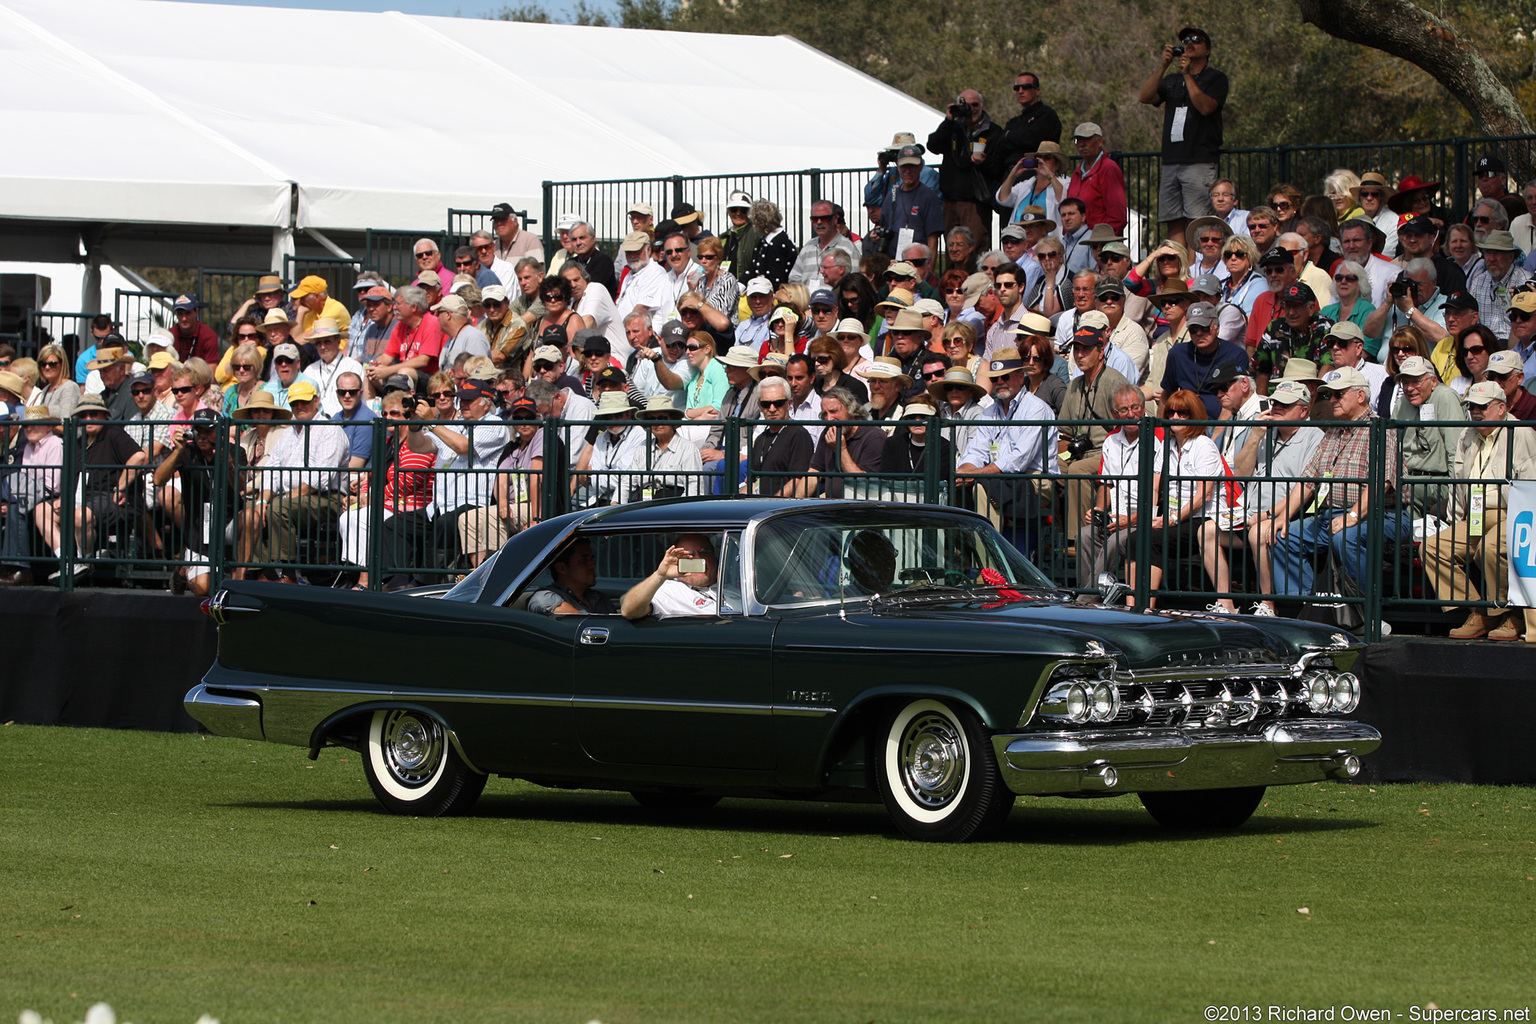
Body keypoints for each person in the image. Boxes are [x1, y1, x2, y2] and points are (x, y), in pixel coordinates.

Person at [1269, 366, 1404, 598]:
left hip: (1381, 515)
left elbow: (1382, 483)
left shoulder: (1381, 429)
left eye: (1339, 394)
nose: (1331, 400)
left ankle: (1362, 607)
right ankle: (1308, 605)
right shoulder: (1332, 432)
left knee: (1346, 538)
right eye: (1329, 395)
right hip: (1332, 515)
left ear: (1360, 396)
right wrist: (1283, 517)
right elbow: (1308, 482)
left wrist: (1352, 516)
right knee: (1282, 536)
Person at [1422, 381, 1536, 639]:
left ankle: (1513, 615)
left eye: (1483, 406)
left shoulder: (1522, 433)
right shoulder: (1468, 433)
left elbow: (1529, 488)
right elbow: (1458, 480)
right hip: (1475, 515)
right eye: (1472, 406)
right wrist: (1455, 518)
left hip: (1511, 513)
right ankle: (1481, 612)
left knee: (1490, 549)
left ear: (1501, 408)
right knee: (1432, 547)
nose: (1476, 411)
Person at [1201, 379, 1324, 615]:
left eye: (1285, 405)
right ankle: (1225, 603)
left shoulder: (1314, 436)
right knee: (1205, 531)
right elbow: (1242, 473)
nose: (1277, 407)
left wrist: (1267, 515)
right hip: (1246, 513)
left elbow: (1305, 489)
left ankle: (1268, 603)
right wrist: (1255, 435)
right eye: (1274, 402)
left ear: (1304, 411)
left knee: (1259, 532)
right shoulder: (1264, 431)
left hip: (1285, 517)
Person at [1124, 388, 1224, 608]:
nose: (1175, 418)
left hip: (1204, 518)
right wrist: (1149, 517)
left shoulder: (1203, 445)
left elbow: (1203, 495)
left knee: (1152, 540)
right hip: (1175, 518)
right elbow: (1154, 486)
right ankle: (1131, 606)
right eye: (1171, 413)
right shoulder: (1167, 445)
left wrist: (1171, 519)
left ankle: (1146, 605)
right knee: (1134, 538)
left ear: (1194, 415)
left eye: (1183, 413)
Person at [956, 346, 1058, 554]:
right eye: (995, 379)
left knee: (981, 489)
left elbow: (1018, 460)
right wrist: (963, 472)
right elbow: (976, 451)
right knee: (954, 485)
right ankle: (960, 556)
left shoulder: (1036, 408)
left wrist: (973, 474)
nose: (999, 382)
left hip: (1035, 478)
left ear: (1021, 376)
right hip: (998, 477)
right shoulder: (990, 411)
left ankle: (989, 562)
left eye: (1005, 376)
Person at [1138, 25, 1227, 247]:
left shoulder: (1215, 78)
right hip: (1171, 160)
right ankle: (1178, 276)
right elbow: (1145, 96)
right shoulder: (1171, 80)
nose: (1189, 42)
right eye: (1186, 40)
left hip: (1199, 159)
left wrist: (1188, 75)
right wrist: (1163, 65)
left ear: (1207, 49)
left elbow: (1206, 107)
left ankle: (1195, 275)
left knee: (1197, 224)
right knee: (1173, 221)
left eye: (1196, 39)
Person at [1077, 384, 1163, 595]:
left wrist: (1132, 519)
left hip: (1146, 516)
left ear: (1144, 408)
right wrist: (1098, 509)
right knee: (1085, 535)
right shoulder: (1111, 440)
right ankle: (1095, 595)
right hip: (1116, 515)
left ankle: (1089, 598)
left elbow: (1159, 494)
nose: (1131, 414)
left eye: (1135, 407)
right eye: (1123, 410)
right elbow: (1106, 483)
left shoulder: (1159, 438)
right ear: (1114, 413)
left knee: (1116, 541)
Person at [1058, 317, 1131, 536]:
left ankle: (1078, 538)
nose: (1079, 354)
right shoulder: (1075, 384)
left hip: (1109, 451)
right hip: (1078, 451)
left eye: (1086, 349)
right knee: (1049, 468)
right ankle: (1054, 535)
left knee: (1077, 471)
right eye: (1076, 349)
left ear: (1101, 351)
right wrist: (1063, 456)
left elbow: (1127, 426)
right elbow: (1064, 432)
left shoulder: (1114, 381)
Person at [801, 388, 885, 499]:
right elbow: (813, 473)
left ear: (851, 409)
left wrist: (841, 450)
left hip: (860, 508)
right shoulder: (828, 432)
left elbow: (863, 484)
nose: (829, 419)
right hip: (831, 506)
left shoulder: (874, 436)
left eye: (834, 411)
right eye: (825, 414)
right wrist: (793, 503)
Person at [620, 533, 720, 619]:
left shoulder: (728, 587)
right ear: (678, 562)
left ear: (714, 558)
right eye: (689, 555)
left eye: (704, 552)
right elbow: (629, 611)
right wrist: (659, 575)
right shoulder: (668, 591)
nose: (698, 558)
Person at [1467, 230, 1530, 339]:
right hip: (1484, 346)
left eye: (1497, 253)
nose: (1491, 258)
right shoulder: (1478, 282)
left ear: (1510, 257)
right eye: (1487, 253)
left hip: (1515, 345)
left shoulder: (1525, 282)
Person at [527, 538, 616, 616]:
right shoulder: (546, 597)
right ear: (562, 568)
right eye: (584, 560)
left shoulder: (601, 599)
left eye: (591, 559)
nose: (593, 566)